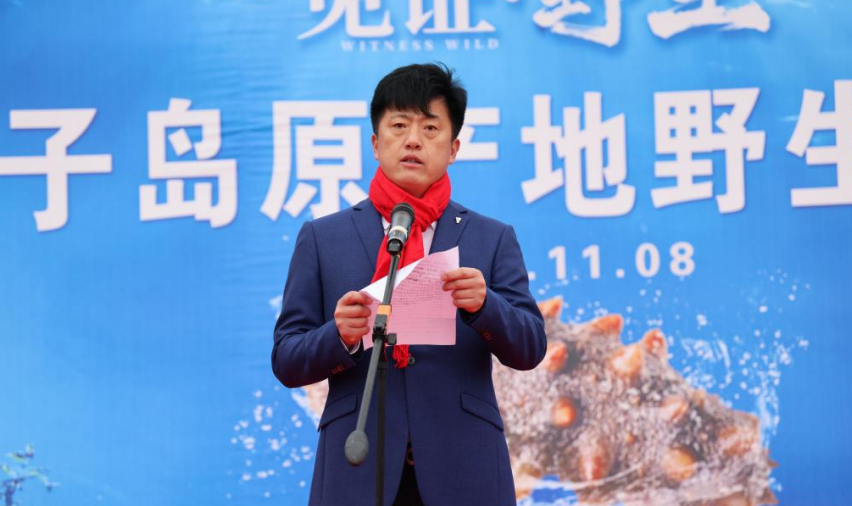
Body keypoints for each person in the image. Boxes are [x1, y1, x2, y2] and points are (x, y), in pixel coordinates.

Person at [272, 63, 547, 506]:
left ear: (453, 148)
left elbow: (530, 348)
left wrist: (486, 306)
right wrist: (338, 335)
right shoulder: (324, 238)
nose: (413, 140)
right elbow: (287, 359)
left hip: (465, 466)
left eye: (430, 128)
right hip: (358, 463)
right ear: (376, 143)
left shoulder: (491, 238)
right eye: (399, 125)